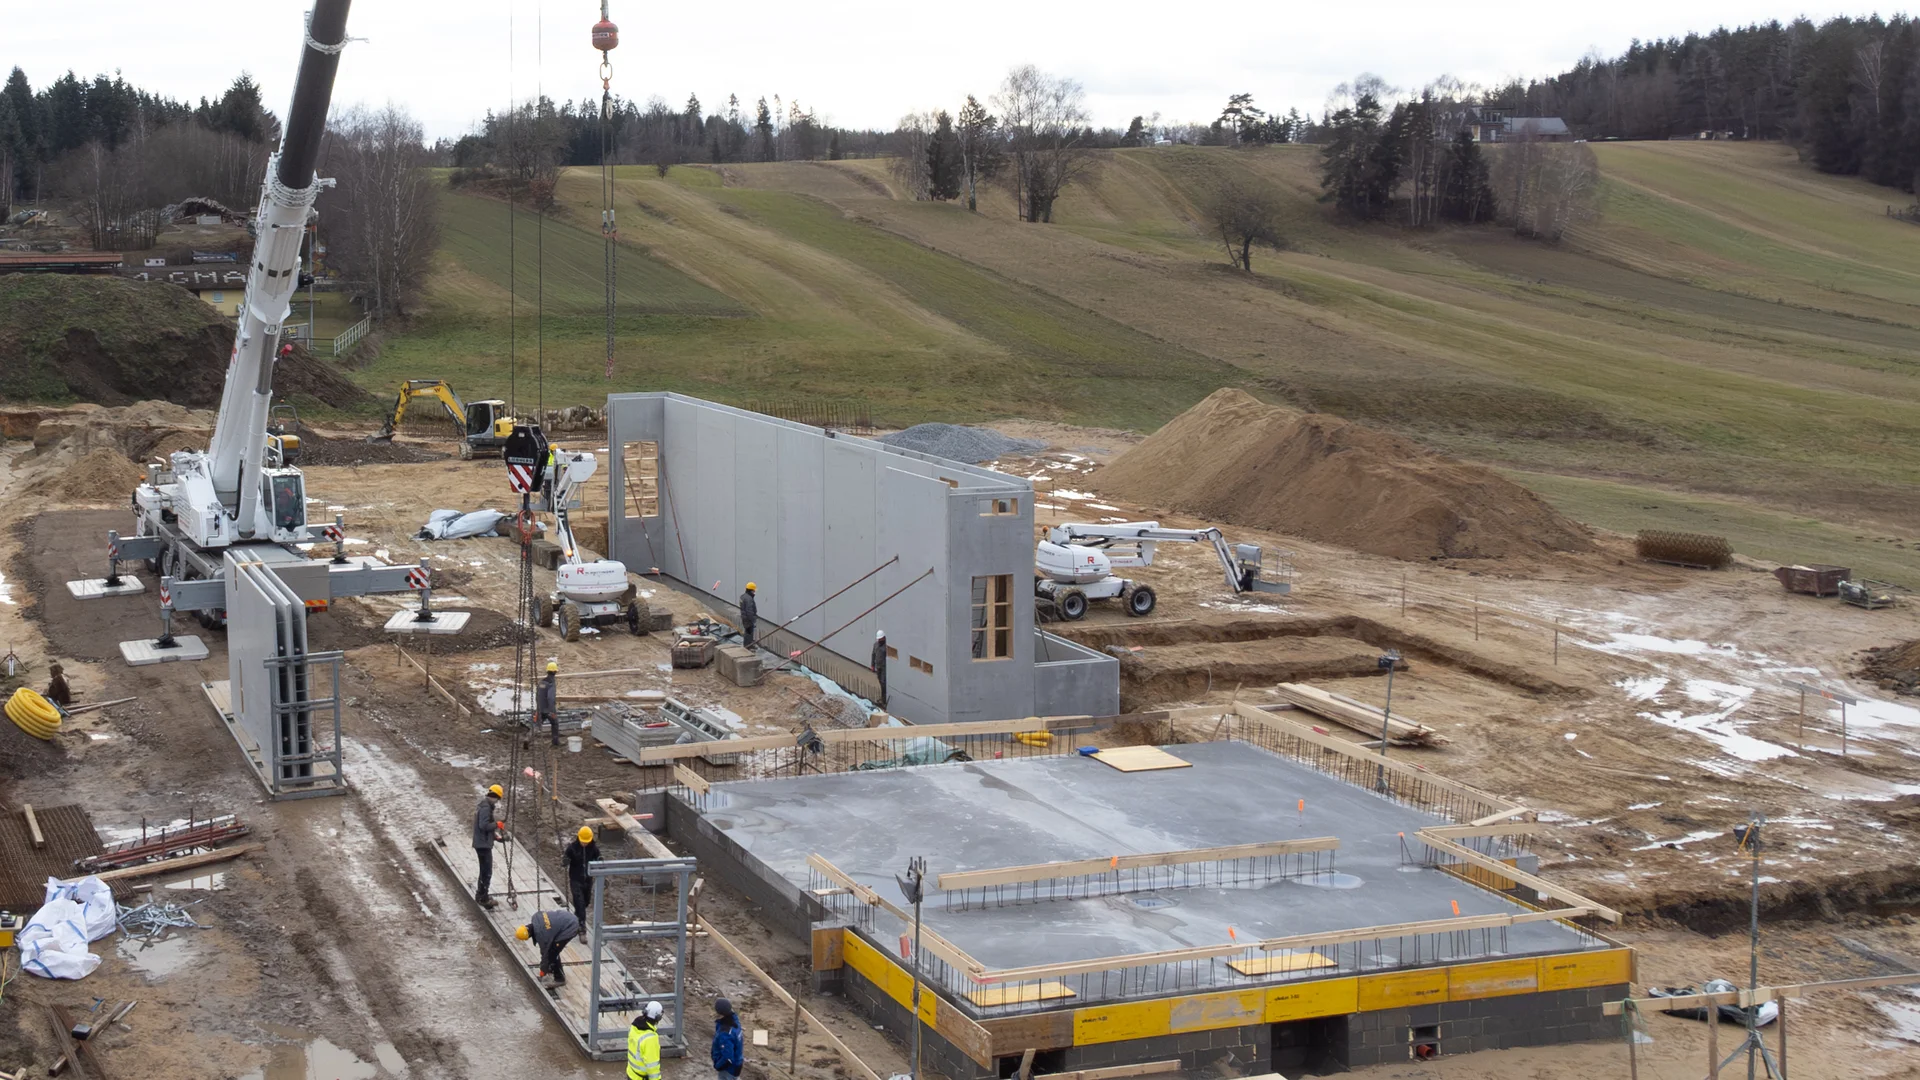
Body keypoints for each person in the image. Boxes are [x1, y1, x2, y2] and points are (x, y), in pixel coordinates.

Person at [515, 908, 580, 986]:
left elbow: (545, 954)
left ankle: (560, 979)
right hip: (566, 917)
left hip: (570, 927)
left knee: (553, 953)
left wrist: (542, 972)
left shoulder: (542, 936)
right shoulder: (536, 917)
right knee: (552, 950)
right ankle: (550, 968)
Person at [472, 783, 505, 908]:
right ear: (496, 797)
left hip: (482, 843)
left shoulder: (485, 805)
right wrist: (497, 824)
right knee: (486, 872)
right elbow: (484, 826)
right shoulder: (486, 808)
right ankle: (483, 898)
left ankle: (481, 895)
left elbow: (484, 828)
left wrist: (496, 837)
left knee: (485, 871)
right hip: (483, 845)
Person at [563, 825, 602, 926]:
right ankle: (581, 927)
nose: (584, 843)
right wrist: (565, 861)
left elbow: (599, 857)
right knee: (579, 901)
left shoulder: (593, 849)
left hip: (588, 880)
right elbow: (565, 858)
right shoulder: (572, 848)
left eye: (586, 841)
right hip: (576, 879)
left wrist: (600, 861)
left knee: (586, 902)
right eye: (583, 841)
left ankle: (577, 916)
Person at [628, 1001, 664, 1080]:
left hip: (631, 1074)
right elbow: (652, 1066)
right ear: (658, 1018)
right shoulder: (651, 1038)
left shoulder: (634, 1026)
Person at [711, 997, 744, 1080]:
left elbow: (728, 1057)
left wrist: (718, 1065)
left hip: (728, 1069)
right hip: (737, 1063)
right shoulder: (735, 1021)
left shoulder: (725, 1034)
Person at [537, 660, 560, 747]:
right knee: (555, 723)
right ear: (554, 672)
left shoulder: (541, 682)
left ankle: (527, 738)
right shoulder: (551, 683)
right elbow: (550, 697)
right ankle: (555, 742)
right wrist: (551, 711)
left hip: (540, 708)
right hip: (549, 709)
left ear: (547, 671)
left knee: (537, 724)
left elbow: (537, 695)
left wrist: (538, 708)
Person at [870, 630, 888, 709]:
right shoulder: (876, 645)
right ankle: (882, 697)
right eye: (878, 639)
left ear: (884, 638)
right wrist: (872, 665)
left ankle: (884, 700)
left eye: (880, 639)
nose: (879, 640)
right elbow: (873, 655)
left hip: (884, 667)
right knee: (880, 681)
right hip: (878, 666)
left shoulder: (886, 647)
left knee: (884, 683)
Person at [738, 582, 758, 648]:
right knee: (749, 632)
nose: (754, 592)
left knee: (747, 631)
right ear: (751, 590)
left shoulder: (743, 596)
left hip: (744, 617)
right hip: (748, 618)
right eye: (754, 590)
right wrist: (753, 620)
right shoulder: (749, 599)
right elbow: (749, 611)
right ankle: (748, 646)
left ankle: (748, 644)